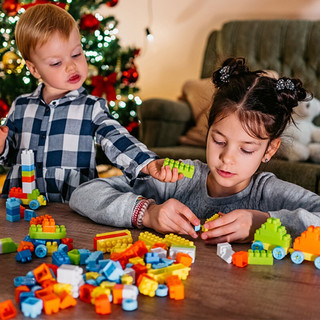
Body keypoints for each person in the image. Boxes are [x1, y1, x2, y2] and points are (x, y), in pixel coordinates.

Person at [69, 57, 320, 242]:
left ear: (270, 149)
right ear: (208, 130)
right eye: (219, 141)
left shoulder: (268, 193)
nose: (226, 159)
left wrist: (262, 223)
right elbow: (84, 194)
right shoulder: (180, 178)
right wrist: (147, 213)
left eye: (247, 149)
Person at [0, 4, 182, 203]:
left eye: (76, 54)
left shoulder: (91, 107)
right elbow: (8, 156)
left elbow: (117, 139)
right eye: (56, 63)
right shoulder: (21, 106)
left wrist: (146, 163)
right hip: (21, 207)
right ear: (34, 69)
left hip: (73, 207)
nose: (71, 66)